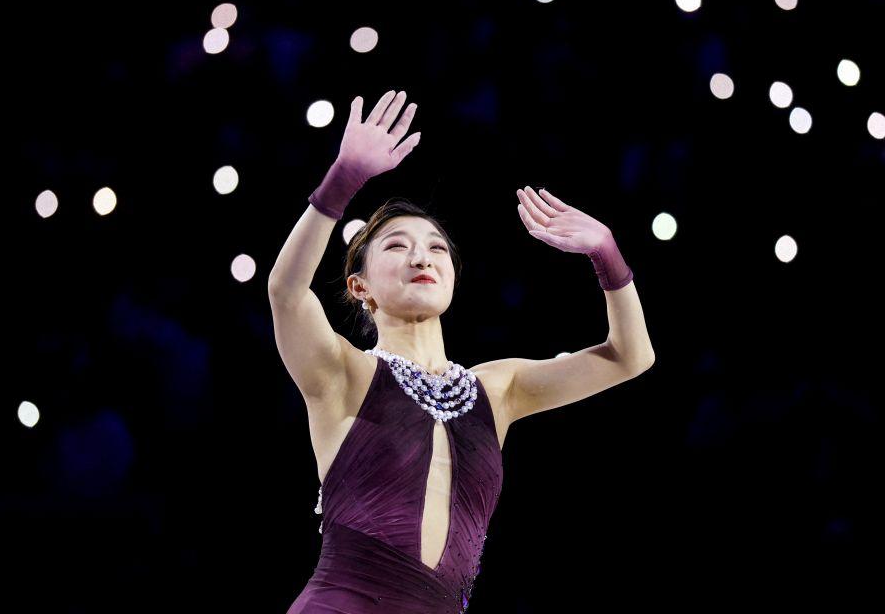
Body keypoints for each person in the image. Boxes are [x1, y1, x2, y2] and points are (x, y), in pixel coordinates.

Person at [269, 91, 649, 613]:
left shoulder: (499, 387)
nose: (421, 256)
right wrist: (342, 181)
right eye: (397, 245)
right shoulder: (344, 372)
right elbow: (287, 292)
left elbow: (631, 356)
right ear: (359, 287)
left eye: (437, 247)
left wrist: (607, 255)